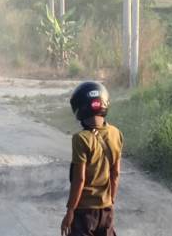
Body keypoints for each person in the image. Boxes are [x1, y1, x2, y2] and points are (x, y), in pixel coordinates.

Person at [61, 82, 123, 236]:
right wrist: (110, 202)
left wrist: (70, 211)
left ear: (79, 108)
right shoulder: (116, 133)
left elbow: (80, 179)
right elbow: (115, 174)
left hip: (84, 213)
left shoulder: (81, 139)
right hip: (107, 211)